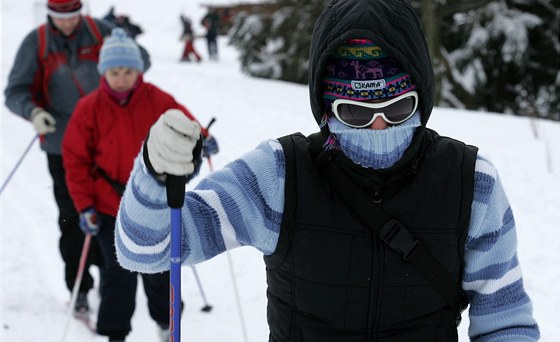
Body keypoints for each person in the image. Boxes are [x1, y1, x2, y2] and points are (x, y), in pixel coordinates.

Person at [114, 0, 540, 341]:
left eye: (397, 108)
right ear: (326, 112)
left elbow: (504, 320)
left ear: (421, 98)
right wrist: (154, 174)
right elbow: (147, 249)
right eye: (355, 112)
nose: (379, 126)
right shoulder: (280, 175)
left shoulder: (470, 182)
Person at [61, 27, 212, 342]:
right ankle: (116, 333)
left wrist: (203, 140)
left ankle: (167, 323)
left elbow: (183, 124)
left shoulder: (155, 99)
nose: (121, 78)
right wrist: (85, 206)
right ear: (104, 72)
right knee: (118, 274)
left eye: (128, 71)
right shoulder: (89, 108)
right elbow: (75, 160)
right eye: (114, 71)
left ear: (138, 70)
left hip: (152, 203)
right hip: (107, 206)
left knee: (158, 269)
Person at [3, 0, 150, 318]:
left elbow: (142, 62)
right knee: (73, 218)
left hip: (108, 142)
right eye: (60, 17)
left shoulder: (102, 32)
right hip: (62, 144)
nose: (67, 23)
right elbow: (14, 91)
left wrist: (123, 58)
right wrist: (34, 111)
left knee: (112, 214)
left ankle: (113, 278)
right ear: (50, 15)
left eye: (72, 16)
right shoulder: (37, 42)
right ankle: (79, 288)